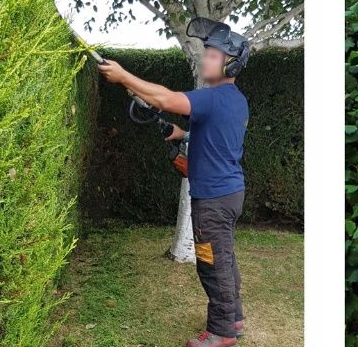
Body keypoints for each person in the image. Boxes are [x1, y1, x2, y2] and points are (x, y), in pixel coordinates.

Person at [98, 18, 251, 347]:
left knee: (211, 262)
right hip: (228, 192)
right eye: (206, 53)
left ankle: (222, 332)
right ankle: (233, 319)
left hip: (213, 198)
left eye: (213, 55)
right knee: (224, 258)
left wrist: (124, 76)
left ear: (231, 63)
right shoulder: (233, 100)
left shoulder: (215, 97)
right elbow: (204, 134)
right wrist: (174, 132)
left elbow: (167, 99)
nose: (205, 58)